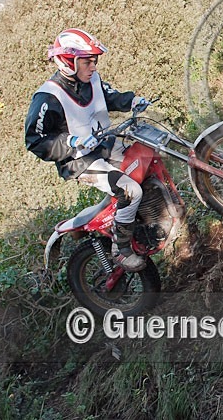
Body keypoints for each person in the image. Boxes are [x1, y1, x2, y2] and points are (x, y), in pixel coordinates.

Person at [25, 28, 151, 272]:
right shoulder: (47, 97)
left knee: (146, 159)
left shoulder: (90, 79)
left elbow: (109, 96)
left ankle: (147, 221)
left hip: (106, 144)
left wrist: (133, 101)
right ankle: (121, 249)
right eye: (87, 61)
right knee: (130, 189)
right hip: (80, 161)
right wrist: (71, 143)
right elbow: (35, 140)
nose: (93, 66)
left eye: (94, 61)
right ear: (67, 61)